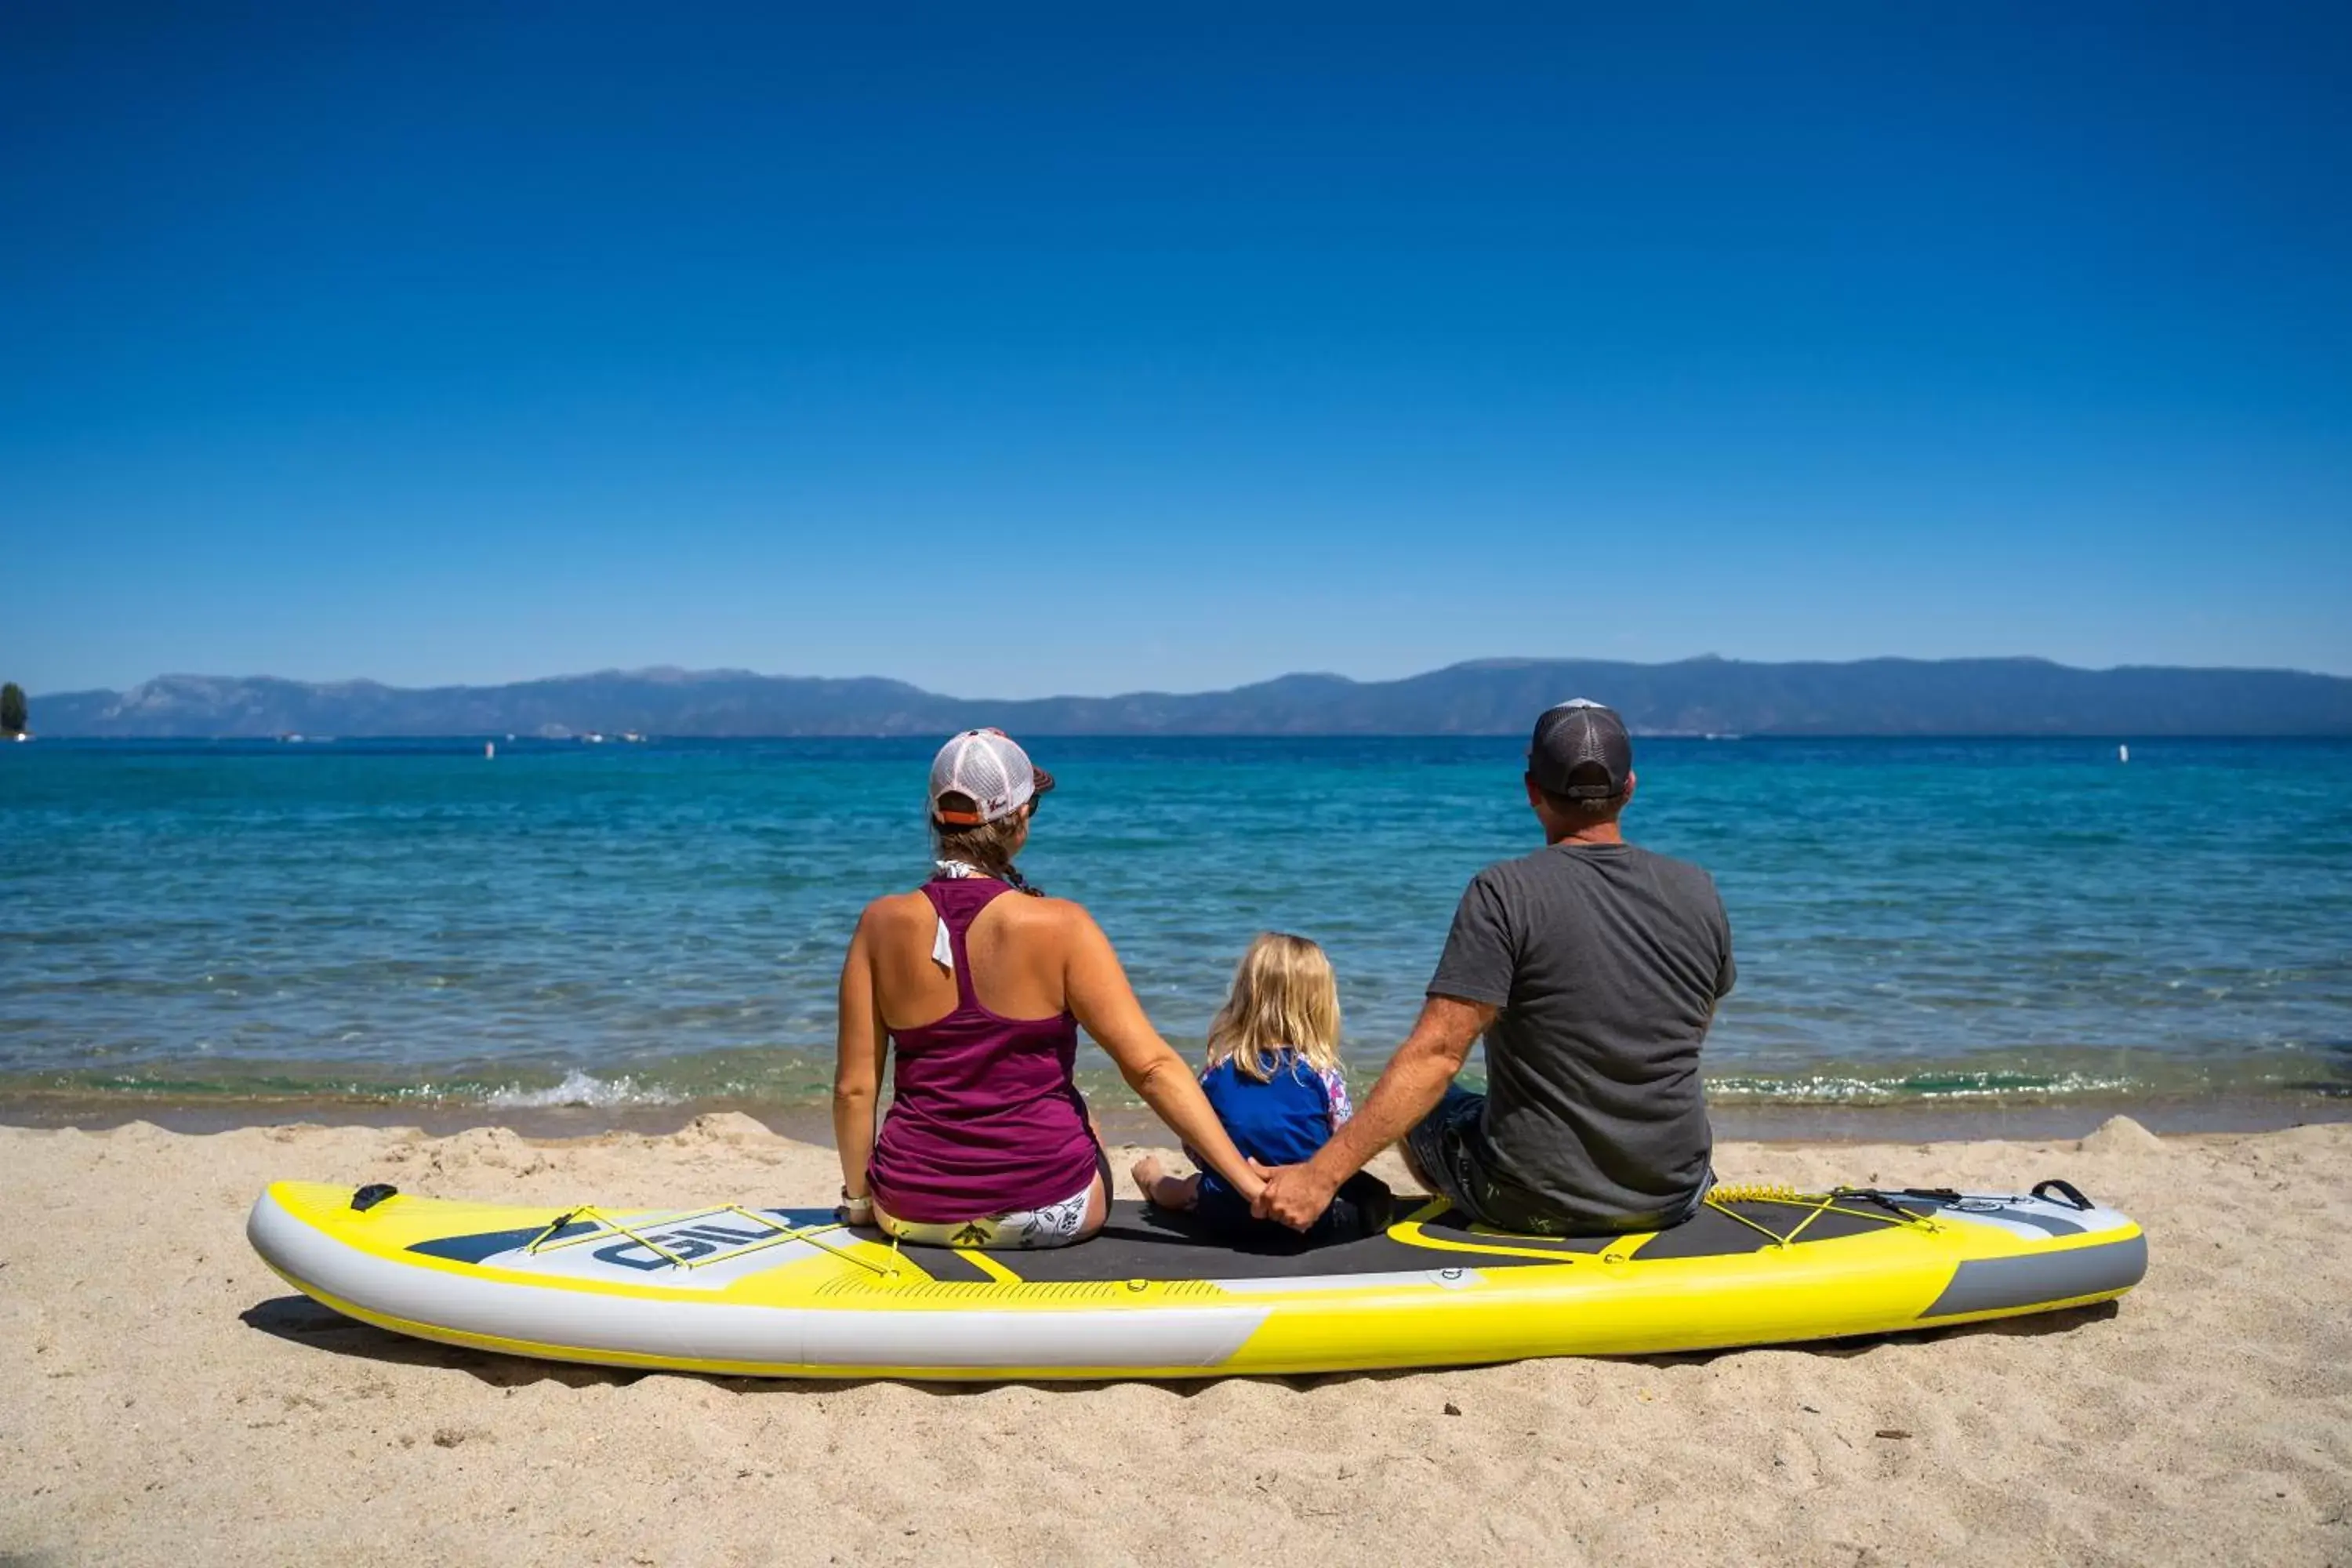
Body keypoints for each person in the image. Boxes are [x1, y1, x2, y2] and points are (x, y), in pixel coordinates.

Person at [1254, 699, 1736, 1237]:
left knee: (1433, 1110)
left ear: (1532, 791)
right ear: (1630, 789)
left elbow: (1436, 1056)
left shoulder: (1504, 893)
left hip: (1534, 1201)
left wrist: (1321, 1177)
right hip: (1676, 1190)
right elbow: (1692, 1028)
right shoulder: (1699, 890)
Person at [833, 728, 1267, 1249]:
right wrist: (1248, 1185)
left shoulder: (879, 924)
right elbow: (1150, 1068)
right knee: (1083, 1120)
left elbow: (855, 1088)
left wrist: (861, 1204)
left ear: (935, 817)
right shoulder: (1061, 925)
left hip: (909, 1209)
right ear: (1017, 820)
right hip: (1048, 1210)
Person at [1132, 932, 1392, 1244]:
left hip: (1225, 1218)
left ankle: (1153, 1180)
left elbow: (1195, 1141)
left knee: (1194, 1186)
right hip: (1306, 1221)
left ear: (1244, 997)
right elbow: (1344, 1139)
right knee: (1365, 1189)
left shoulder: (1216, 1071)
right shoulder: (1323, 1075)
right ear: (1321, 1005)